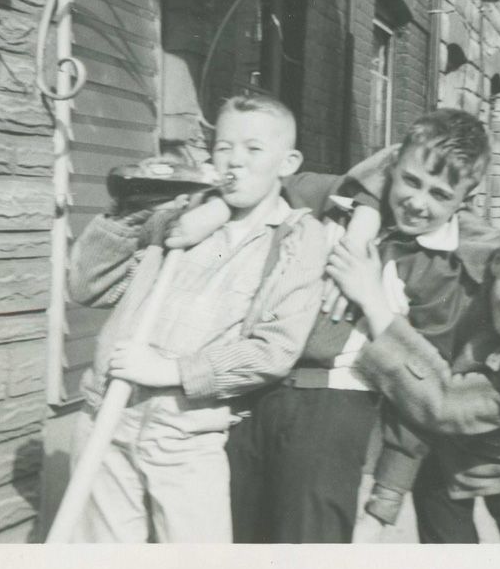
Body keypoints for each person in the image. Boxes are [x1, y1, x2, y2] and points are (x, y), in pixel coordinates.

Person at [227, 109, 500, 543]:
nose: (418, 202)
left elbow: (419, 394)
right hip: (251, 388)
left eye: (440, 194)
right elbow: (269, 183)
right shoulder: (338, 203)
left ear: (463, 202)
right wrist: (364, 216)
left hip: (333, 405)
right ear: (392, 169)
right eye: (411, 181)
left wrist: (385, 501)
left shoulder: (445, 274)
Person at [63, 94, 329, 542]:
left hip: (185, 435)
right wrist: (133, 208)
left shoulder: (295, 239)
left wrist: (171, 370)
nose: (235, 162)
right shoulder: (182, 214)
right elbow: (87, 285)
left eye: (253, 149)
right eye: (224, 147)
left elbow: (275, 350)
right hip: (105, 414)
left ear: (289, 162)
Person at [327, 210, 500, 543]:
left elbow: (445, 405)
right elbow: (414, 171)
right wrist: (360, 231)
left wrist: (372, 300)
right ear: (499, 262)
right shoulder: (469, 242)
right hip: (438, 459)